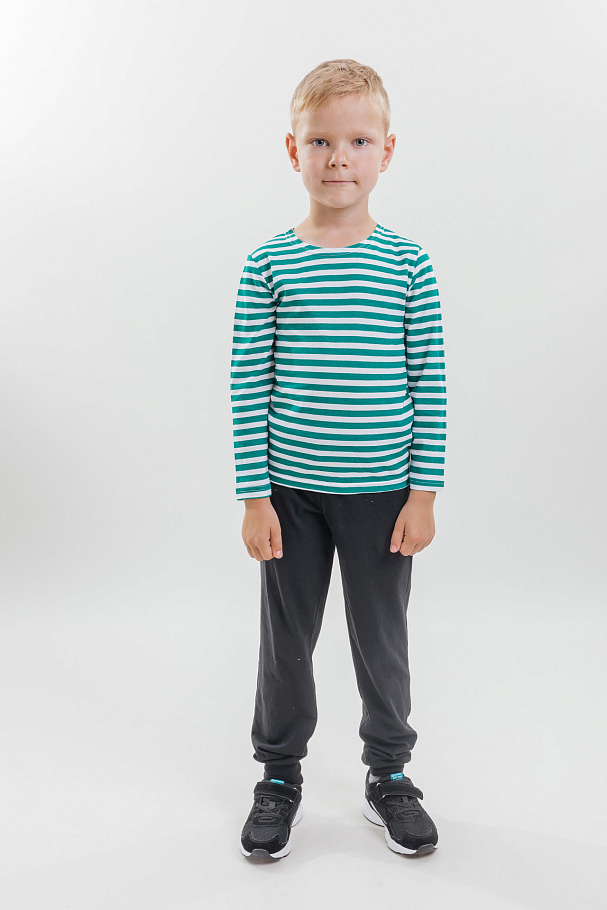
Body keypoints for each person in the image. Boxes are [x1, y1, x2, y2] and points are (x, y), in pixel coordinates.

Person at [230, 59, 447, 859]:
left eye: (357, 141)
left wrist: (423, 493)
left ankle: (388, 773)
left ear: (385, 150)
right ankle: (278, 775)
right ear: (293, 151)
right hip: (290, 495)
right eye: (319, 141)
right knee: (286, 642)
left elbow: (428, 380)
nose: (337, 158)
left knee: (380, 640)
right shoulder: (269, 263)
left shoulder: (406, 263)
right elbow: (248, 381)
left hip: (382, 496)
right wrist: (255, 496)